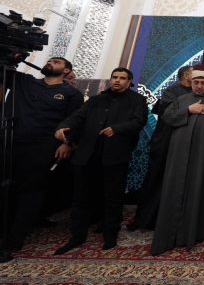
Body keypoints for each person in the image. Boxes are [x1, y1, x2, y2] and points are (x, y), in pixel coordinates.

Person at [53, 68, 148, 254]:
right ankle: (77, 235)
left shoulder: (137, 100)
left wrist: (118, 128)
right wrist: (64, 127)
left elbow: (139, 121)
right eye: (114, 77)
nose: (117, 80)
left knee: (113, 197)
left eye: (122, 78)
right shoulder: (96, 99)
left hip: (115, 156)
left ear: (129, 82)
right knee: (80, 198)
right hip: (87, 155)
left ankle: (110, 234)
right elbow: (78, 117)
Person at [0, 58, 83, 260]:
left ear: (66, 70)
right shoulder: (24, 81)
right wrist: (12, 57)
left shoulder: (72, 94)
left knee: (30, 191)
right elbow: (4, 70)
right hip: (9, 141)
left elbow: (75, 120)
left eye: (56, 61)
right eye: (49, 60)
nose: (50, 62)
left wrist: (67, 143)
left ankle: (13, 241)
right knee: (6, 189)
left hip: (42, 147)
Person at [150, 64, 204, 255]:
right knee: (174, 189)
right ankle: (170, 235)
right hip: (178, 153)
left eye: (202, 83)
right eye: (196, 82)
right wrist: (189, 110)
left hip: (202, 154)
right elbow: (167, 117)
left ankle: (193, 233)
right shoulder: (181, 100)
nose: (199, 86)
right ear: (190, 82)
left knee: (196, 188)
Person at [127, 65, 192, 232]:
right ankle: (144, 219)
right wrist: (189, 110)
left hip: (184, 145)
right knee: (154, 181)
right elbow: (169, 113)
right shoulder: (172, 91)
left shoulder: (198, 93)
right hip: (165, 142)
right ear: (186, 76)